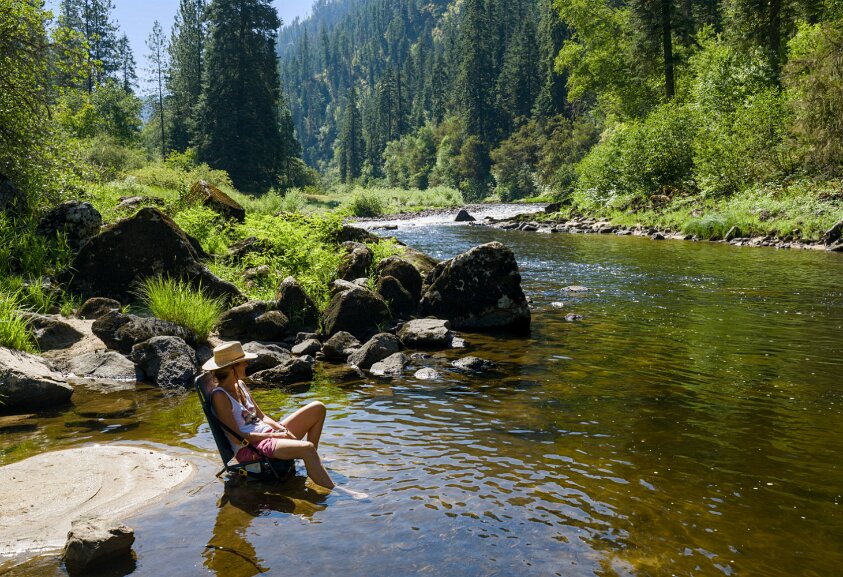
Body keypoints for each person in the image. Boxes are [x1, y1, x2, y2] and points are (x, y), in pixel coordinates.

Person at [203, 341, 366, 499]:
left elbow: (262, 416)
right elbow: (237, 436)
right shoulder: (220, 396)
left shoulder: (240, 385)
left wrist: (280, 430)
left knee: (318, 408)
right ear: (232, 368)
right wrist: (274, 436)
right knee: (307, 448)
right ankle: (339, 492)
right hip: (251, 447)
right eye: (243, 362)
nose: (246, 365)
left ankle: (310, 460)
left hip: (267, 435)